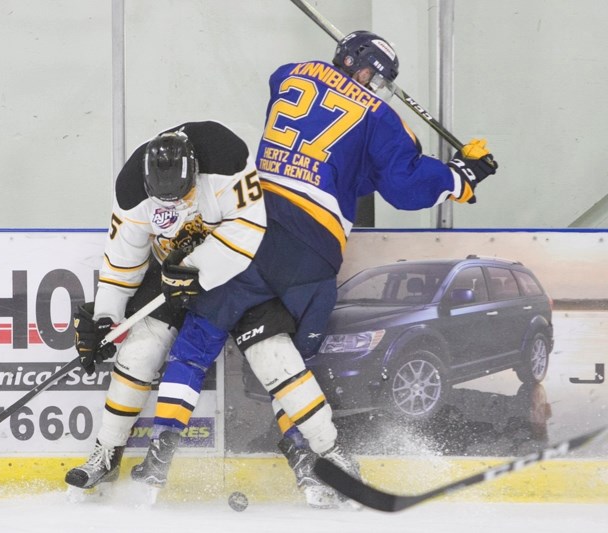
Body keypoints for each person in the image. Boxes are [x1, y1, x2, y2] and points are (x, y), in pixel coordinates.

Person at [131, 30, 498, 504]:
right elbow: (403, 188)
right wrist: (460, 176)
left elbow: (334, 154)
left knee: (198, 338)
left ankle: (162, 450)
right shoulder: (383, 118)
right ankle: (307, 464)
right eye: (377, 79)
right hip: (310, 251)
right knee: (295, 367)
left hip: (252, 228)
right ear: (366, 70)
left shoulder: (289, 75)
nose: (378, 87)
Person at [63, 120, 267, 492]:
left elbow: (249, 230)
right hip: (171, 269)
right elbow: (122, 264)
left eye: (185, 195)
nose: (177, 206)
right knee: (139, 350)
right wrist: (107, 318)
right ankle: (106, 452)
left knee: (270, 347)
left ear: (196, 171)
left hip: (233, 270)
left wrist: (193, 271)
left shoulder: (225, 155)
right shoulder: (131, 189)